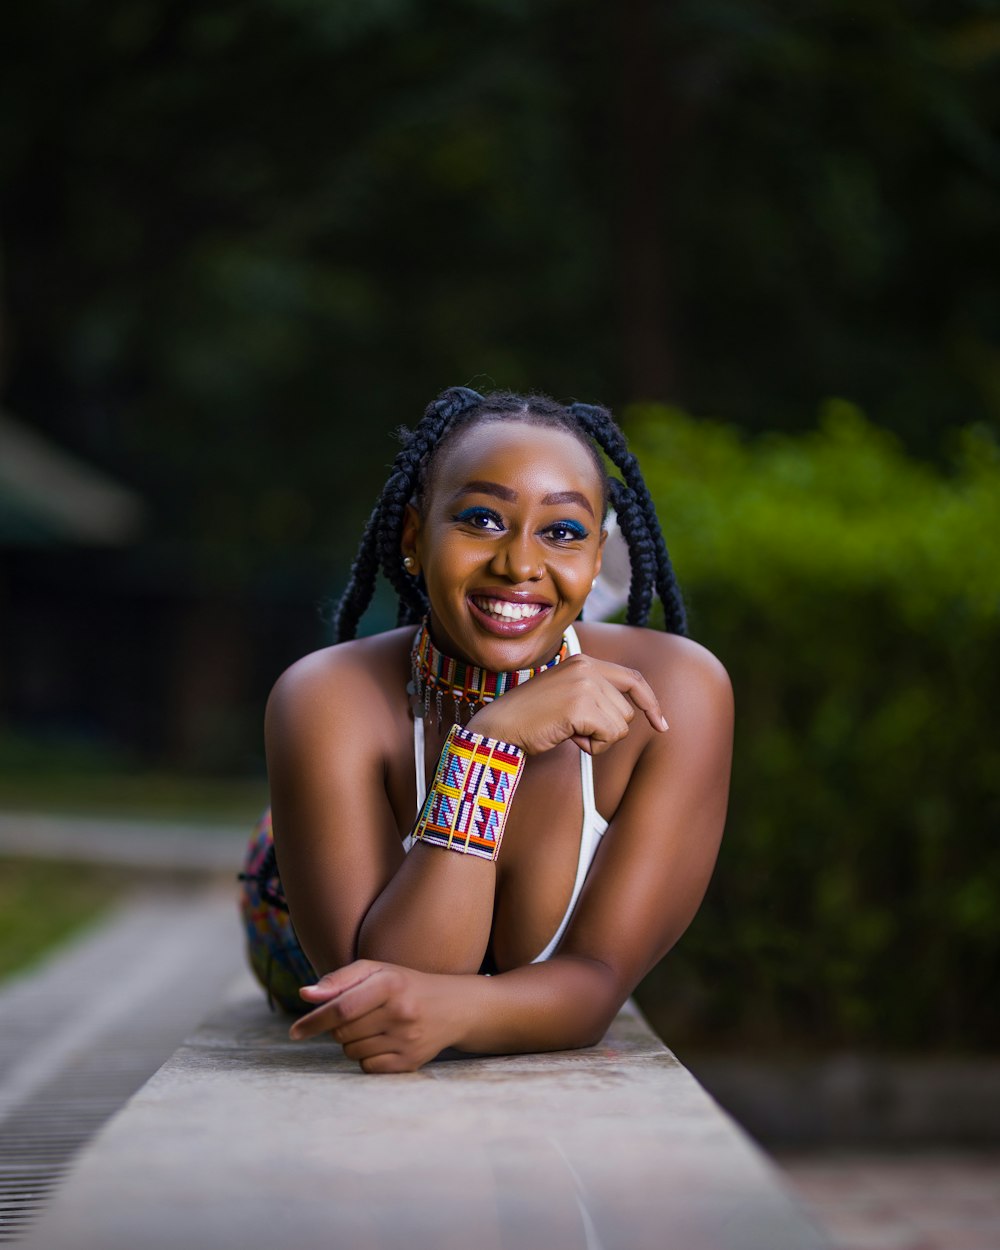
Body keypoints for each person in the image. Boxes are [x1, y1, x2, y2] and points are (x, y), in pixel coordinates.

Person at [238, 386, 733, 1074]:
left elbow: (596, 983)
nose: (520, 563)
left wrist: (459, 1009)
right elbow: (386, 989)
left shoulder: (679, 692)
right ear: (413, 538)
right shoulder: (323, 696)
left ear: (596, 557)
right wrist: (488, 746)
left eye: (562, 532)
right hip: (290, 900)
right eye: (481, 519)